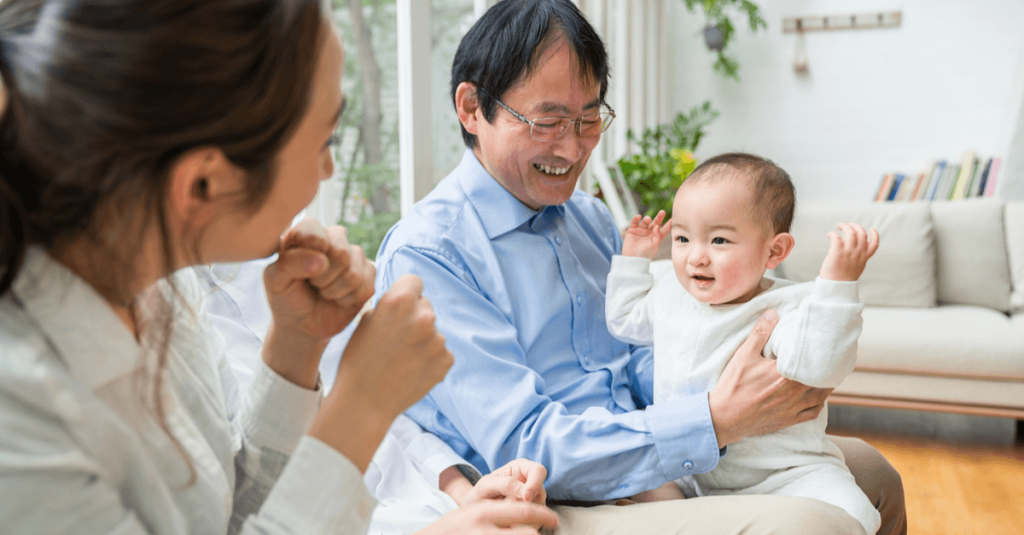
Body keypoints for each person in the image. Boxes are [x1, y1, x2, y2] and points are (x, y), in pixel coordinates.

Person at [0, 1, 557, 533]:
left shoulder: (160, 290)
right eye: (325, 141)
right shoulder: (21, 419)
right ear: (204, 183)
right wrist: (362, 406)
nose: (329, 169)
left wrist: (296, 347)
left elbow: (230, 511)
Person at [373, 0, 907, 533]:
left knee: (874, 472)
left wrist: (746, 365)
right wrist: (718, 417)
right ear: (471, 108)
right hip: (552, 496)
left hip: (644, 453)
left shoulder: (588, 218)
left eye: (588, 119)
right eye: (548, 120)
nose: (573, 147)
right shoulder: (429, 255)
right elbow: (526, 441)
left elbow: (640, 358)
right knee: (812, 523)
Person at [605, 153, 881, 534]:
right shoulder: (670, 289)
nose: (696, 256)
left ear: (774, 251)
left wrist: (836, 286)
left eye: (719, 239)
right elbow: (625, 321)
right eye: (682, 238)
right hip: (692, 471)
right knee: (639, 483)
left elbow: (819, 364)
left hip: (783, 473)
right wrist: (633, 261)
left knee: (853, 512)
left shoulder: (787, 308)